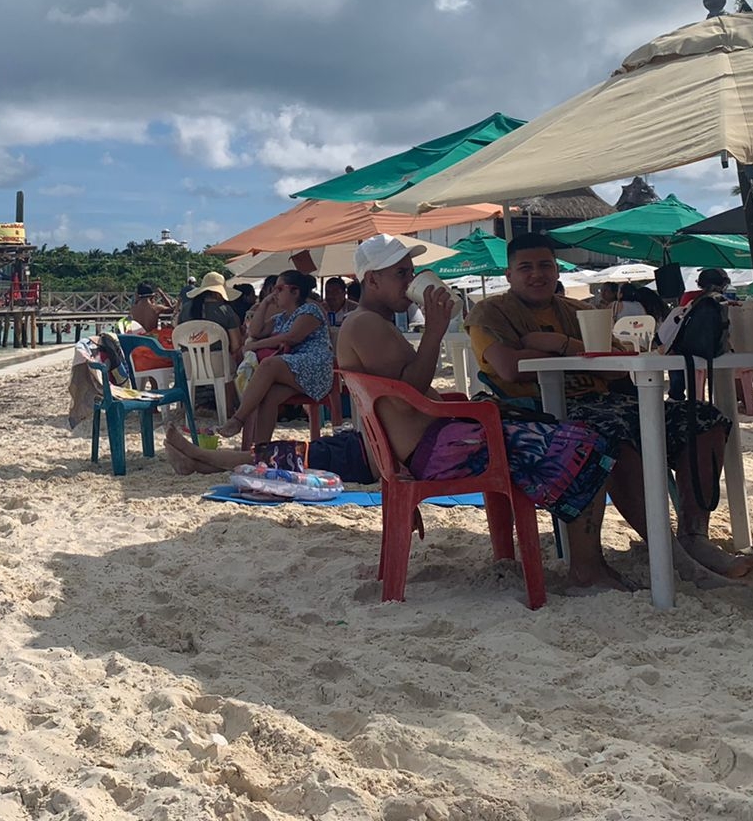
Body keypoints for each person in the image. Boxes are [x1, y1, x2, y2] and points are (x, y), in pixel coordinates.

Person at [164, 236, 632, 591]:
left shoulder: (367, 323)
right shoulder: (366, 323)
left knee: (310, 453)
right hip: (427, 450)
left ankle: (205, 459)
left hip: (403, 444)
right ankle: (586, 566)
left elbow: (408, 389)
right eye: (403, 275)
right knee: (584, 441)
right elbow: (413, 389)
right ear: (374, 280)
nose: (411, 282)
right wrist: (435, 330)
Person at [467, 232, 751, 580]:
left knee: (705, 419)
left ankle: (693, 535)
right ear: (509, 275)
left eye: (545, 265)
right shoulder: (490, 312)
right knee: (610, 436)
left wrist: (558, 343)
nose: (536, 274)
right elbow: (508, 367)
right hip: (537, 412)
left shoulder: (580, 311)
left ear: (557, 270)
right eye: (525, 267)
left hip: (609, 401)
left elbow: (618, 361)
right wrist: (578, 352)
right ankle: (669, 554)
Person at [220, 270, 332, 447]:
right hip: (294, 369)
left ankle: (238, 419)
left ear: (295, 292)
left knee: (269, 364)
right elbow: (255, 332)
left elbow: (292, 337)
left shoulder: (310, 310)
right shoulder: (280, 317)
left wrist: (254, 346)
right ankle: (261, 448)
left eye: (280, 289)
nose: (275, 293)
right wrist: (264, 303)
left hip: (314, 367)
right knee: (269, 396)